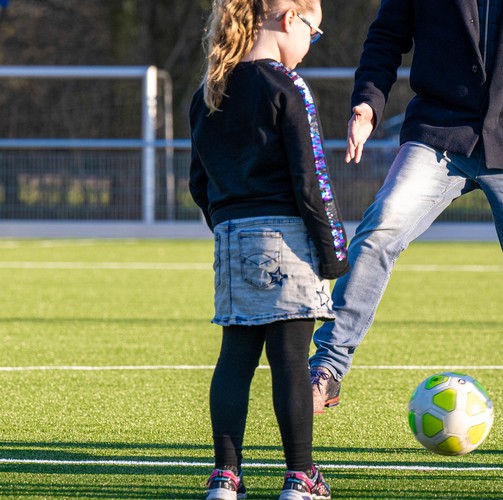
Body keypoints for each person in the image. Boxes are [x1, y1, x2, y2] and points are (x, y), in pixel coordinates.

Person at [307, 0, 503, 455]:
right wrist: (368, 103)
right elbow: (386, 39)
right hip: (439, 134)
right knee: (378, 233)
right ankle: (327, 370)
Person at [188, 0, 345, 498]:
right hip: (287, 237)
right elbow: (311, 178)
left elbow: (198, 183)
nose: (309, 48)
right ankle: (300, 474)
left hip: (231, 237)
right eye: (313, 34)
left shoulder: (208, 89)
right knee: (290, 360)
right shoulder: (286, 85)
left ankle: (225, 476)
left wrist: (228, 225)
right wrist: (332, 249)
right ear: (289, 19)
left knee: (235, 357)